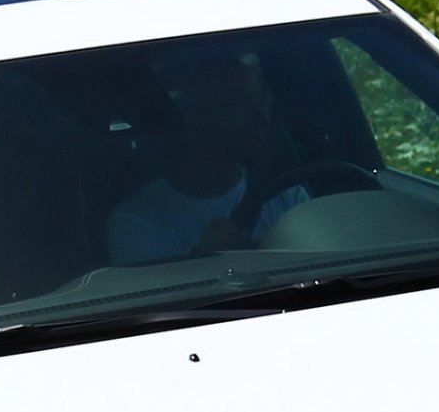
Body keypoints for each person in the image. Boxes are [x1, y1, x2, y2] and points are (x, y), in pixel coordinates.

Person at [106, 48, 306, 266]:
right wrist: (203, 259)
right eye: (238, 102)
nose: (261, 115)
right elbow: (151, 297)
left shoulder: (289, 198)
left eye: (262, 101)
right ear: (192, 118)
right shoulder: (137, 223)